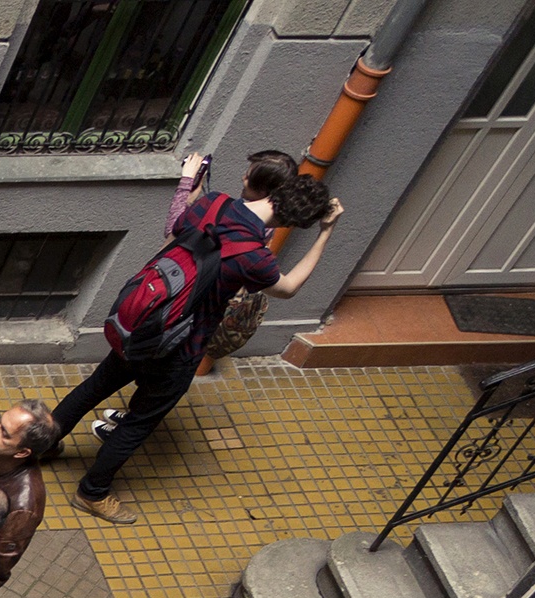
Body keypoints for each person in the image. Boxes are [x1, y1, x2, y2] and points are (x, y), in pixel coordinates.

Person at [51, 149, 343, 525]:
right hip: (180, 345)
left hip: (144, 320)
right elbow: (287, 289)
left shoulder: (213, 204)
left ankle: (39, 445)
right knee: (140, 420)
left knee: (96, 386)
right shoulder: (255, 257)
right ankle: (92, 493)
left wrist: (191, 182)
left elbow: (178, 226)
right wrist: (326, 232)